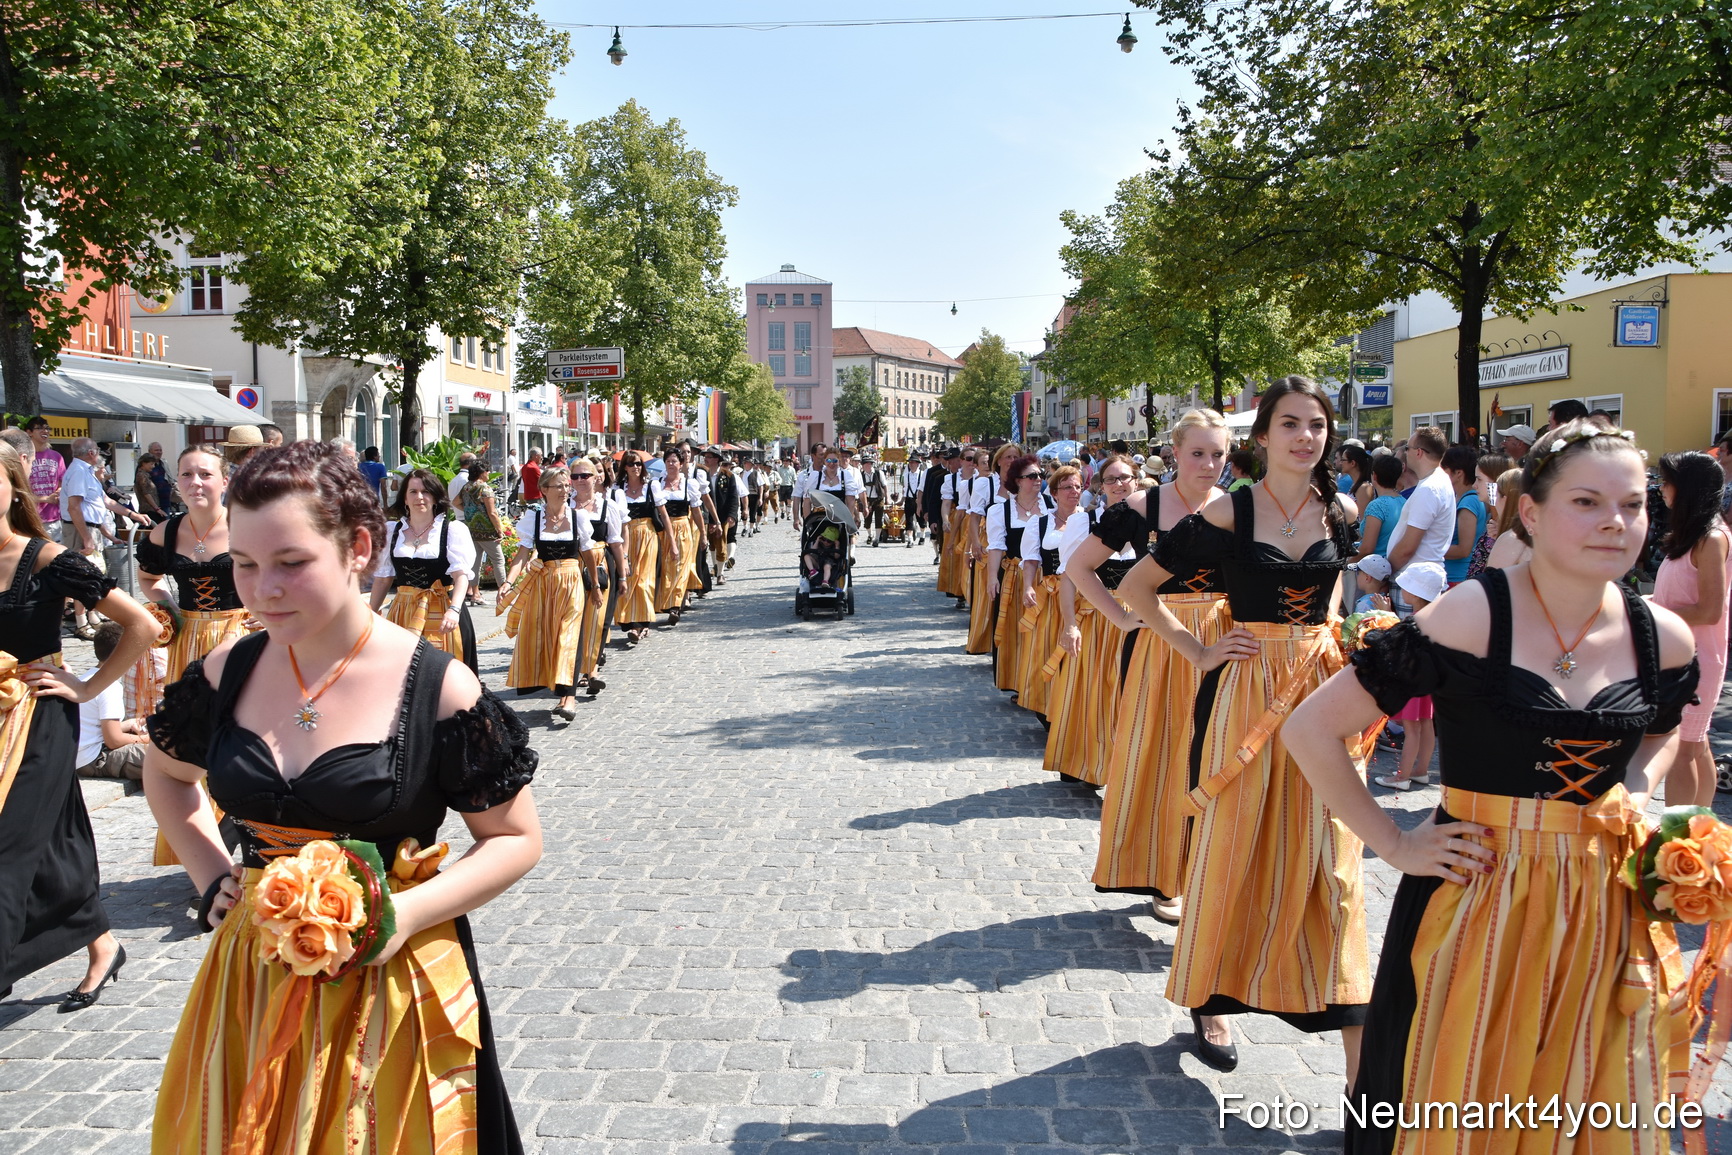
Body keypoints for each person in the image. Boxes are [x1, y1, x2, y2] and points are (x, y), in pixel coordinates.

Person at [1284, 418, 1698, 1155]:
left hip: (1601, 911)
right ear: (1532, 513)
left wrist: (1638, 783)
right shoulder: (1473, 612)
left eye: (1632, 505)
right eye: (1587, 502)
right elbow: (1310, 729)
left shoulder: (1663, 636)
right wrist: (1395, 842)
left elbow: (1661, 732)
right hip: (1474, 898)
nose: (1615, 521)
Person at [142, 441, 537, 1151]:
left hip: (386, 987)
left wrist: (404, 912)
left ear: (358, 546)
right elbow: (166, 773)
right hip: (252, 979)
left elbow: (515, 837)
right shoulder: (229, 665)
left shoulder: (437, 685)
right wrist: (210, 877)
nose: (262, 589)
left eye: (291, 563)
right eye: (245, 563)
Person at [1116, 376, 1365, 1074]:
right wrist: (1200, 649)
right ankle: (1213, 1000)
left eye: (1316, 424)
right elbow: (1137, 589)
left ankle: (1356, 1056)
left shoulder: (1342, 508)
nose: (1305, 436)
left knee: (1334, 853)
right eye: (1290, 423)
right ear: (1262, 437)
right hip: (1246, 694)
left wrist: (1331, 636)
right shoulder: (1232, 509)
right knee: (1232, 842)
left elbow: (1336, 581)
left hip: (1320, 696)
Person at [0, 438, 156, 1009]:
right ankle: (102, 944)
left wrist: (89, 686)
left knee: (10, 842)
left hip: (39, 714)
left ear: (12, 487)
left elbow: (142, 624)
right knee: (51, 840)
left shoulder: (47, 559)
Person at [1080, 412, 1228, 925]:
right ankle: (1167, 874)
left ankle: (1210, 872)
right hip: (1162, 646)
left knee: (1216, 757)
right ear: (1174, 453)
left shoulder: (1237, 509)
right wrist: (1122, 618)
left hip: (1225, 639)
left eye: (1218, 454)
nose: (1209, 464)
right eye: (1198, 453)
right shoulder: (1141, 507)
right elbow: (1080, 567)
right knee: (1166, 755)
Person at [1044, 454, 1140, 786]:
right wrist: (1069, 623)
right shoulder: (1084, 522)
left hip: (1140, 620)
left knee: (1131, 694)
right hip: (1098, 620)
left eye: (1125, 478)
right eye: (1111, 480)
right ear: (1100, 486)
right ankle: (1089, 763)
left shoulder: (1150, 522)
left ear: (1136, 481)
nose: (1119, 485)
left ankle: (1124, 767)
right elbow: (1069, 576)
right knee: (1096, 692)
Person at [1652, 451, 1730, 807]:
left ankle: (1677, 834)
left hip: (1697, 658)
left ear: (1687, 489)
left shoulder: (1711, 538)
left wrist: (1654, 611)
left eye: (1667, 482)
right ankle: (1700, 831)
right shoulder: (1693, 534)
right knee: (1697, 745)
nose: (1662, 489)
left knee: (1683, 748)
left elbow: (1710, 610)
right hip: (1681, 654)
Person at [370, 467, 478, 673]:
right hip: (404, 611)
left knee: (443, 672)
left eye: (426, 491)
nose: (420, 497)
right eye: (413, 492)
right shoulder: (392, 531)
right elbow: (383, 579)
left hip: (443, 609)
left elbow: (461, 575)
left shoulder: (452, 530)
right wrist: (371, 614)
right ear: (404, 499)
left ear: (436, 497)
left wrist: (454, 610)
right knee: (403, 674)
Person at [499, 466, 585, 720]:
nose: (565, 490)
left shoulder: (578, 518)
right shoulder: (532, 520)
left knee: (568, 635)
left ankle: (569, 698)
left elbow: (588, 553)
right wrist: (508, 583)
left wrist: (597, 583)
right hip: (544, 584)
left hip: (571, 581)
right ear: (544, 490)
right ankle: (556, 688)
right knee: (548, 634)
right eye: (559, 486)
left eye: (566, 485)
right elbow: (522, 554)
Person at [1016, 464, 1085, 719]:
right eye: (1067, 487)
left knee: (1078, 651)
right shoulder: (1041, 522)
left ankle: (1072, 708)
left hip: (1085, 596)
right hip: (1051, 594)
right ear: (1054, 493)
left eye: (1078, 486)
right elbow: (1032, 559)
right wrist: (1027, 587)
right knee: (1046, 648)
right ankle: (1047, 707)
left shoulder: (1089, 519)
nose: (1074, 492)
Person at [984, 455, 1053, 696]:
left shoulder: (1050, 506)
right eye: (1032, 476)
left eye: (1040, 475)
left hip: (1045, 579)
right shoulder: (1000, 511)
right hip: (1013, 576)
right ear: (1018, 481)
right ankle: (1018, 682)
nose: (1038, 480)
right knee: (1017, 631)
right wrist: (993, 577)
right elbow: (996, 546)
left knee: (1042, 631)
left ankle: (1039, 683)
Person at [570, 460, 622, 696]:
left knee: (597, 618)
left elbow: (615, 542)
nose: (580, 480)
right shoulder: (564, 504)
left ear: (595, 478)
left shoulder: (607, 506)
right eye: (576, 476)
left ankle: (590, 671)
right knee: (573, 619)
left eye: (585, 475)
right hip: (570, 567)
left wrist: (622, 575)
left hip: (600, 564)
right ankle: (571, 670)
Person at [76, 622, 150, 780]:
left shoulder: (86, 678)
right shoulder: (109, 687)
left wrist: (127, 725)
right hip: (94, 758)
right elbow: (114, 740)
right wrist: (146, 739)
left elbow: (94, 727)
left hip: (80, 756)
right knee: (168, 756)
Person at [610, 451, 669, 644]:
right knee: (627, 577)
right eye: (631, 464)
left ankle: (641, 622)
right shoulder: (618, 489)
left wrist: (672, 543)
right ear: (624, 467)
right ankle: (630, 620)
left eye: (638, 464)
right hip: (625, 535)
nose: (636, 467)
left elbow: (663, 514)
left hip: (647, 535)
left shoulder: (651, 486)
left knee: (644, 579)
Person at [656, 450, 704, 621]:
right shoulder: (657, 483)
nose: (671, 464)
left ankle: (675, 605)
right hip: (662, 530)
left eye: (674, 461)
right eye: (668, 461)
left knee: (681, 566)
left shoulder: (688, 484)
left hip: (683, 527)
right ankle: (666, 602)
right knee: (666, 567)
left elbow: (697, 512)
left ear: (681, 464)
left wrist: (703, 535)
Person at [458, 462, 507, 605]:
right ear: (481, 472)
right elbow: (492, 512)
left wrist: (469, 512)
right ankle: (503, 593)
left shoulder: (466, 487)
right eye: (487, 470)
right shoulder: (485, 489)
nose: (489, 473)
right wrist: (499, 530)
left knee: (475, 562)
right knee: (498, 560)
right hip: (487, 531)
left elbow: (455, 501)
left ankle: (474, 593)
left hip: (472, 530)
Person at [1484, 468, 1534, 570]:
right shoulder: (1536, 534)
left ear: (1505, 499)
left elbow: (1493, 583)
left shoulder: (1511, 538)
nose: (1494, 500)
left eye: (1495, 494)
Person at [25, 418, 64, 541]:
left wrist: (57, 493)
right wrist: (45, 499)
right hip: (30, 518)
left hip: (53, 519)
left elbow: (62, 482)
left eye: (47, 428)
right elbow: (19, 490)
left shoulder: (56, 456)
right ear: (29, 432)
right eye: (40, 428)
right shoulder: (23, 457)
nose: (45, 431)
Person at [924, 449, 954, 567]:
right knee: (943, 542)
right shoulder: (935, 475)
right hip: (942, 515)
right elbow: (929, 495)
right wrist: (929, 515)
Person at [133, 452, 166, 522]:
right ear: (144, 463)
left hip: (151, 510)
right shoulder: (142, 476)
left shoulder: (146, 475)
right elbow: (147, 494)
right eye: (151, 464)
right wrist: (157, 509)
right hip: (148, 510)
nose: (153, 466)